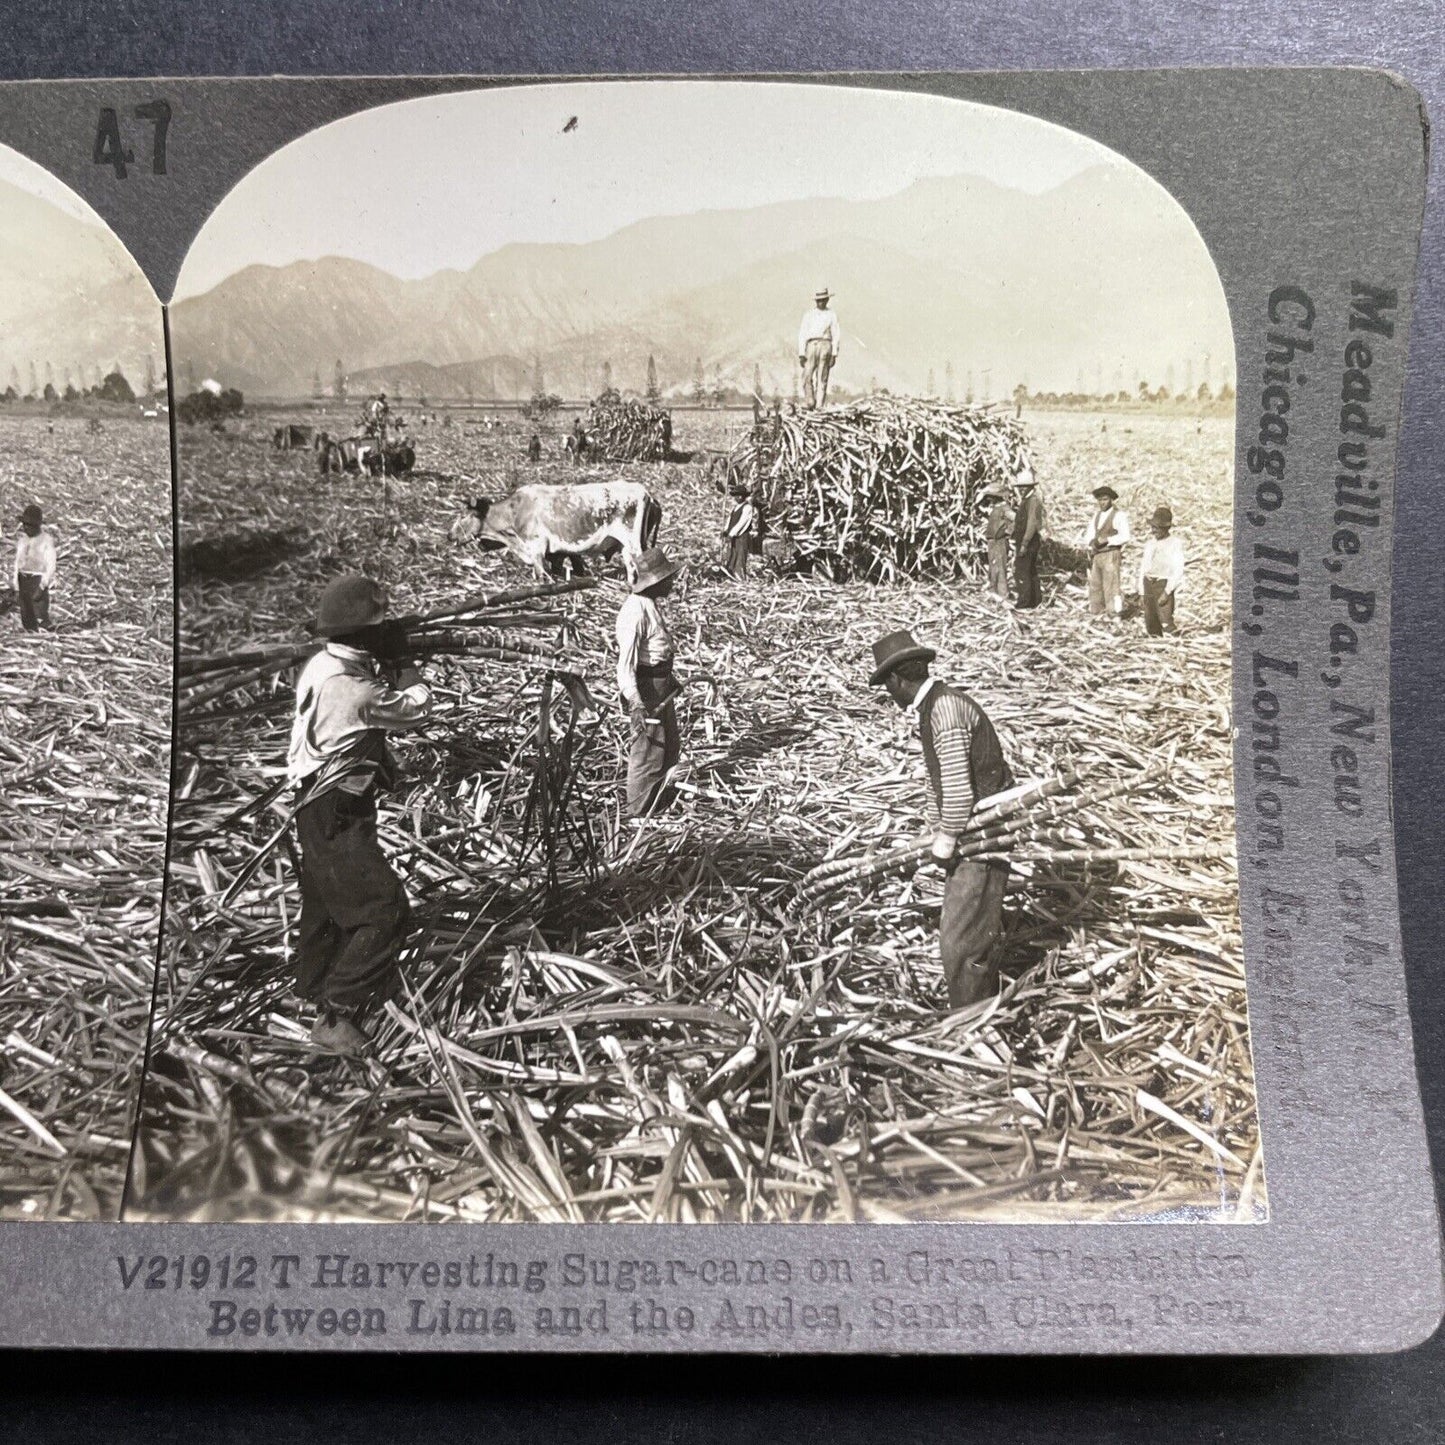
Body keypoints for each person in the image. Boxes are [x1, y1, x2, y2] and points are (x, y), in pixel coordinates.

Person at [286, 573, 433, 1055]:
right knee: (384, 909)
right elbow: (416, 708)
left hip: (314, 804)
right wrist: (405, 663)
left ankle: (310, 990)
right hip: (337, 810)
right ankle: (337, 1013)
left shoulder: (319, 666)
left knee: (327, 902)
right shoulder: (355, 690)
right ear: (366, 634)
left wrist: (381, 657)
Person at [868, 630, 1014, 1010]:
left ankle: (970, 1022)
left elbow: (960, 790)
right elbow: (940, 782)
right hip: (971, 830)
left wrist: (946, 837)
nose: (889, 694)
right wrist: (934, 830)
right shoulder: (934, 706)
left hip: (983, 834)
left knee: (960, 940)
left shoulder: (945, 710)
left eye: (887, 686)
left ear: (898, 679)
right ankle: (973, 1008)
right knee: (964, 932)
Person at [616, 547, 683, 818]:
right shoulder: (634, 613)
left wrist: (670, 680)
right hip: (646, 693)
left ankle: (658, 804)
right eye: (668, 578)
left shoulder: (649, 606)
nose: (672, 582)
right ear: (655, 581)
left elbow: (655, 653)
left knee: (669, 748)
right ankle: (638, 814)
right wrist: (636, 702)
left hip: (660, 687)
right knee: (647, 754)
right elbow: (625, 666)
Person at [1080, 484, 1131, 619]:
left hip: (1111, 554)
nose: (1102, 503)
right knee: (1096, 585)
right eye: (1100, 500)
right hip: (1097, 555)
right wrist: (1091, 542)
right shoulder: (1096, 516)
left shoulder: (1119, 515)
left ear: (1111, 500)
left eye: (1105, 499)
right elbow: (1089, 534)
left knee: (1112, 586)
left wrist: (1107, 539)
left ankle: (1115, 615)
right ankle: (1098, 613)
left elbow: (1126, 536)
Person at [1138, 505, 1184, 636]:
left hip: (1162, 584)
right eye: (1152, 527)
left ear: (1166, 528)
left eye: (1157, 528)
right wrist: (1142, 592)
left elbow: (1178, 570)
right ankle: (1156, 647)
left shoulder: (1174, 544)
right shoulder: (1150, 544)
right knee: (1150, 621)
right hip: (1148, 583)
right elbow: (1143, 568)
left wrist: (1167, 591)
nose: (1153, 531)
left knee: (1166, 621)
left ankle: (1174, 646)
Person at [13, 503, 56, 632]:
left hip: (37, 579)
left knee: (39, 613)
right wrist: (16, 585)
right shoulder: (22, 541)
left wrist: (42, 585)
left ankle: (44, 636)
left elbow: (51, 565)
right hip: (23, 578)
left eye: (30, 525)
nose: (27, 528)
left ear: (38, 525)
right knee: (26, 615)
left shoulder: (46, 541)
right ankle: (30, 636)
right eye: (25, 524)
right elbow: (17, 563)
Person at [797, 286, 840, 409]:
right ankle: (810, 401)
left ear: (827, 300)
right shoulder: (809, 315)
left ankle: (819, 406)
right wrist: (801, 353)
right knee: (807, 375)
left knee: (822, 377)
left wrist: (834, 354)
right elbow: (802, 333)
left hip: (826, 345)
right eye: (819, 300)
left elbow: (836, 334)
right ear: (816, 301)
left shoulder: (831, 314)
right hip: (811, 345)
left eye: (823, 300)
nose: (821, 302)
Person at [1011, 469, 1045, 610]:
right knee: (1030, 570)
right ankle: (1035, 600)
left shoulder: (1033, 501)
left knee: (1022, 570)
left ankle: (1024, 602)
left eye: (1025, 486)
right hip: (1027, 539)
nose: (1022, 489)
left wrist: (1025, 543)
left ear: (1031, 486)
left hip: (1029, 540)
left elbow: (1032, 523)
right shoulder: (1028, 500)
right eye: (1021, 487)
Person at [980, 485, 1012, 600]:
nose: (989, 499)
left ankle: (1003, 594)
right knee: (993, 566)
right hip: (993, 541)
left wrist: (1008, 530)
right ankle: (994, 591)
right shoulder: (997, 508)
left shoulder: (1004, 508)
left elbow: (1016, 519)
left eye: (991, 497)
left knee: (1000, 567)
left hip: (999, 542)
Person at [722, 484, 756, 579]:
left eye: (740, 495)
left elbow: (742, 522)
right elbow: (730, 520)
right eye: (736, 495)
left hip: (742, 536)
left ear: (744, 496)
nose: (738, 497)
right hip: (733, 536)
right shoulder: (735, 508)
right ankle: (731, 576)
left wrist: (732, 533)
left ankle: (739, 577)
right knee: (732, 555)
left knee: (740, 557)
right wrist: (725, 530)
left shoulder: (747, 507)